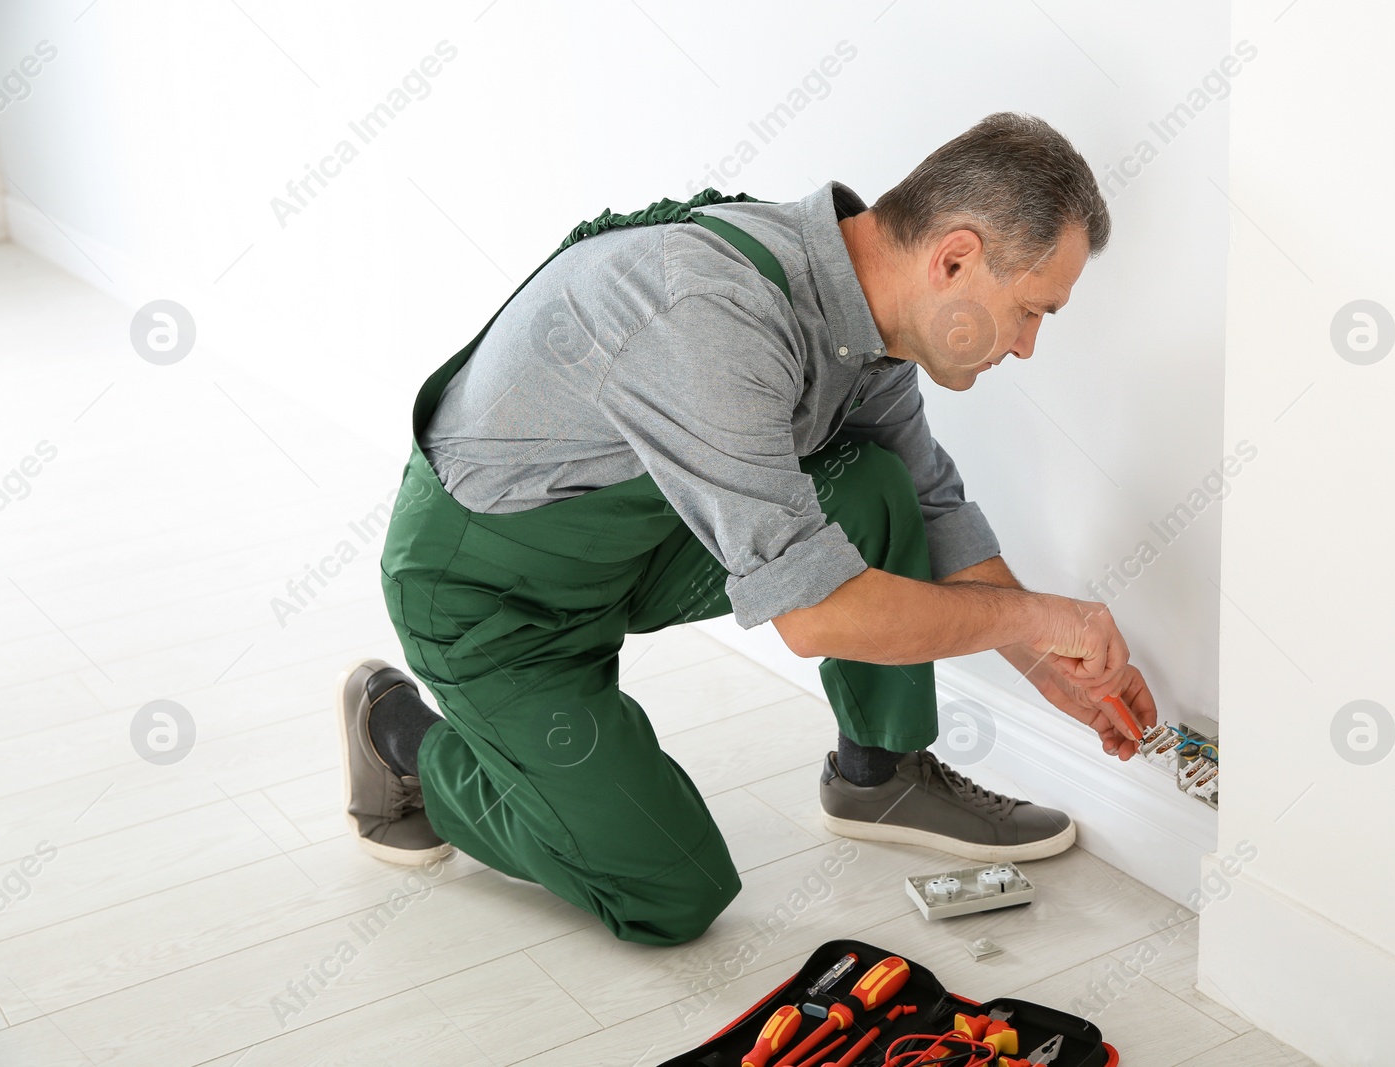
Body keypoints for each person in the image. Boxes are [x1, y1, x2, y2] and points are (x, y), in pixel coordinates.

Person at [333, 111, 1159, 947]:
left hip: (627, 551)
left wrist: (1047, 662)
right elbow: (818, 618)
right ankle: (401, 739)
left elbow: (937, 511)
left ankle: (880, 773)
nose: (1026, 346)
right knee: (668, 891)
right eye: (1029, 311)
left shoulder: (864, 324)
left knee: (873, 481)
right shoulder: (712, 313)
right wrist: (1045, 617)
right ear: (954, 258)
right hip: (490, 595)